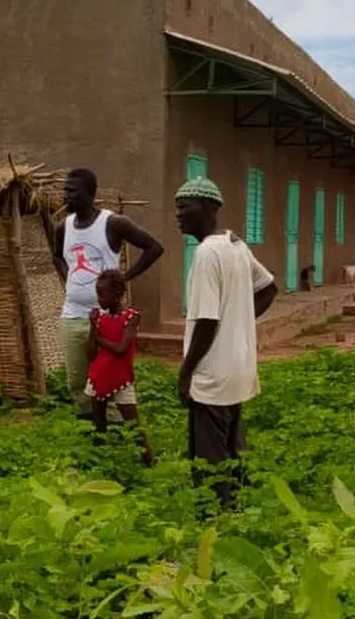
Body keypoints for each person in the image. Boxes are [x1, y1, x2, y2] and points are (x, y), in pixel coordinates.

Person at [175, 177, 277, 510]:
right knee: (233, 444)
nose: (178, 214)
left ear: (207, 208)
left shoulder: (207, 253)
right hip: (238, 366)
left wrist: (186, 372)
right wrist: (240, 323)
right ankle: (237, 507)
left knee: (210, 456)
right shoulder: (235, 245)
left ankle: (217, 518)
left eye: (183, 207)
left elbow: (206, 321)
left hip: (213, 373)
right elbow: (268, 288)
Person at [53, 168, 164, 423]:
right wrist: (69, 278)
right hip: (73, 316)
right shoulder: (63, 227)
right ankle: (92, 431)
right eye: (65, 190)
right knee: (77, 381)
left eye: (72, 191)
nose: (66, 195)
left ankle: (115, 428)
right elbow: (57, 256)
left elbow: (154, 247)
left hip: (107, 318)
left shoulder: (113, 223)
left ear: (90, 194)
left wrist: (125, 277)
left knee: (109, 378)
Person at [86, 269, 154, 467]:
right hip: (98, 377)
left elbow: (121, 348)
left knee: (133, 425)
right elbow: (90, 354)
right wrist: (92, 328)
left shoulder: (131, 317)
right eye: (98, 294)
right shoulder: (100, 319)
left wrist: (99, 339)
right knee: (99, 425)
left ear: (117, 294)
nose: (99, 299)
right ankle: (99, 465)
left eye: (103, 294)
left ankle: (149, 463)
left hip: (121, 378)